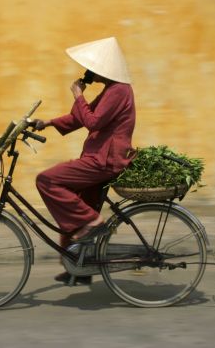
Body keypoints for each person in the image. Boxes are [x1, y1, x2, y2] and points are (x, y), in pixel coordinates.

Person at [32, 37, 136, 285]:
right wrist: (47, 123)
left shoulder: (119, 90)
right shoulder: (111, 90)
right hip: (99, 159)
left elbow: (92, 121)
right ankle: (79, 269)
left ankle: (92, 222)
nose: (90, 72)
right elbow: (81, 117)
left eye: (94, 68)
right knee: (73, 205)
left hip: (104, 161)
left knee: (47, 181)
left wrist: (78, 94)